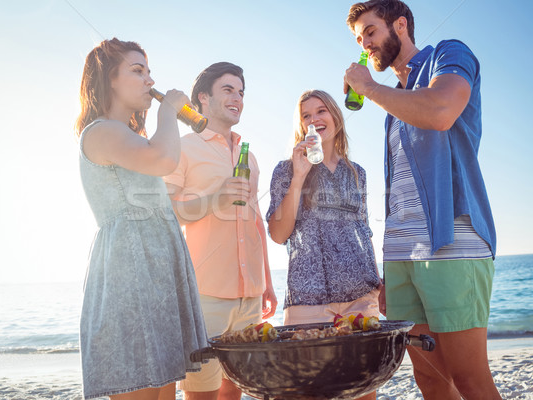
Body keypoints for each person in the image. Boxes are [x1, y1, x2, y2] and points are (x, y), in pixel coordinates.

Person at [344, 2, 501, 399]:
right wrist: (389, 268)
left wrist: (369, 88)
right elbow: (399, 192)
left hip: (452, 242)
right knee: (429, 378)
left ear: (400, 25)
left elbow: (442, 110)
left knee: (470, 379)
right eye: (359, 39)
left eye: (371, 32)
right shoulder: (391, 104)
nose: (366, 44)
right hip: (402, 255)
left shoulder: (449, 55)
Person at [75, 38, 208, 400]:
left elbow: (161, 203)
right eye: (137, 71)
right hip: (129, 272)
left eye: (150, 72)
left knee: (165, 390)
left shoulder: (133, 135)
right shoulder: (101, 131)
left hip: (158, 271)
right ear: (109, 79)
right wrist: (170, 112)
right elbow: (163, 159)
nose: (150, 80)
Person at [163, 62, 278, 400]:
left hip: (250, 296)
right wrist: (217, 198)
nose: (237, 98)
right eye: (228, 90)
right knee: (203, 394)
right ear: (203, 98)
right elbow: (166, 214)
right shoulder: (183, 147)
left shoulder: (250, 157)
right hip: (205, 294)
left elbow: (255, 223)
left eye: (241, 92)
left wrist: (267, 284)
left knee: (236, 390)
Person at [267, 89, 381, 400]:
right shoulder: (286, 169)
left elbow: (365, 231)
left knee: (364, 391)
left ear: (335, 117)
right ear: (301, 125)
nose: (315, 119)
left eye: (321, 111)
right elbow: (278, 234)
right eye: (306, 115)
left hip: (361, 297)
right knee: (309, 391)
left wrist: (379, 286)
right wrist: (299, 177)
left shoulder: (357, 174)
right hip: (308, 300)